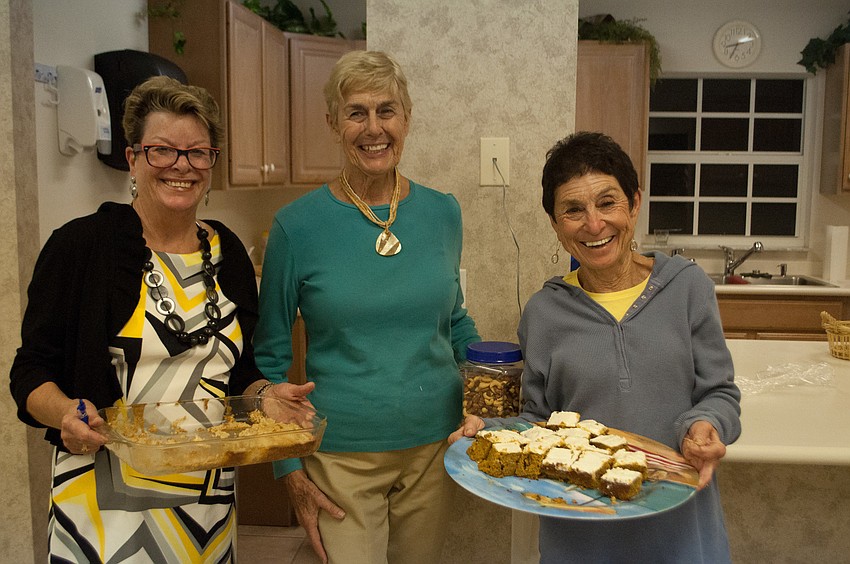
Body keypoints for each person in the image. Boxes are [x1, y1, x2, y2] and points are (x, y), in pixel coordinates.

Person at [9, 75, 313, 562]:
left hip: (206, 506)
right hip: (105, 509)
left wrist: (265, 396)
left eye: (197, 152)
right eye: (162, 150)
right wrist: (65, 412)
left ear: (211, 162)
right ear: (132, 159)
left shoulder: (227, 252)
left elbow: (242, 372)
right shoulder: (80, 247)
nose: (181, 165)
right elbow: (30, 371)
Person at [451, 131, 741, 563]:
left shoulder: (688, 288)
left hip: (679, 522)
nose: (593, 224)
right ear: (554, 224)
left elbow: (720, 392)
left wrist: (707, 424)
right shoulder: (544, 311)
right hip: (580, 531)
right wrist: (488, 434)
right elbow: (538, 422)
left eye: (607, 203)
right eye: (573, 210)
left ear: (635, 203)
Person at [253, 50, 480, 564]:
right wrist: (288, 471)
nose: (373, 128)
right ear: (333, 122)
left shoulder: (443, 212)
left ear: (407, 118)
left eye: (386, 110)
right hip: (339, 454)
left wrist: (487, 390)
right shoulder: (296, 227)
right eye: (356, 112)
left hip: (435, 447)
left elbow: (455, 320)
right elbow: (267, 364)